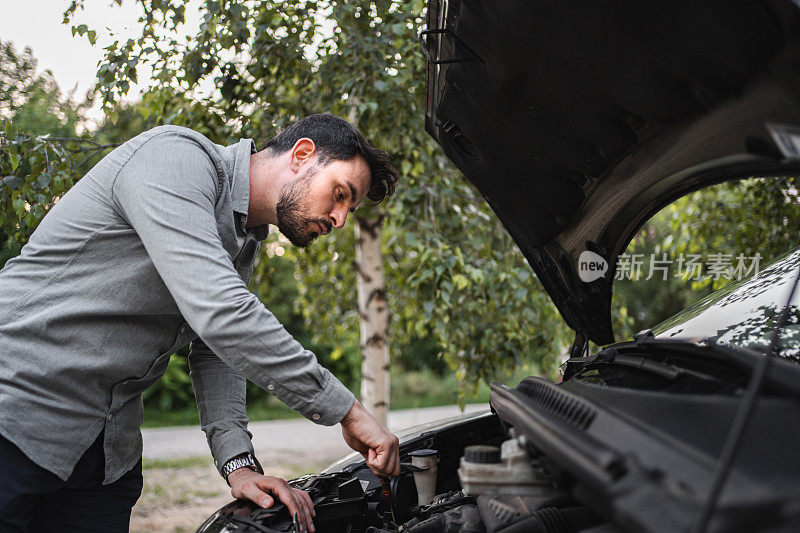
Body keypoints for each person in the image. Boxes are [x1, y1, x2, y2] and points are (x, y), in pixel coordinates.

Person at [0, 113, 401, 532]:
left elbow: (216, 352)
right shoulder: (175, 159)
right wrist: (347, 411)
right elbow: (222, 313)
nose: (339, 219)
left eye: (348, 209)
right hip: (16, 414)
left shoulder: (244, 240)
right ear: (301, 155)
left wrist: (239, 464)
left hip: (105, 456)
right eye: (340, 194)